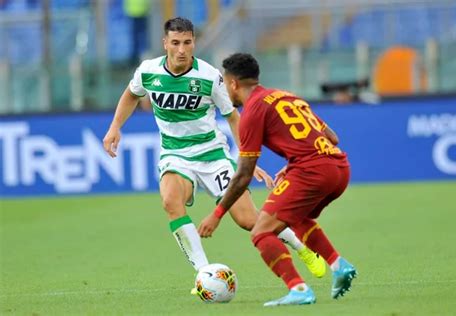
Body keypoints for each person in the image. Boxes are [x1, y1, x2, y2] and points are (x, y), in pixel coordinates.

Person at [102, 17, 326, 291]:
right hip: (175, 155)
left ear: (194, 42)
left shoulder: (209, 76)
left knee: (248, 220)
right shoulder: (148, 71)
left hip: (213, 156)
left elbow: (232, 117)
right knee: (171, 202)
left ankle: (301, 247)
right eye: (175, 43)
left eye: (187, 42)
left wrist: (248, 157)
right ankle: (204, 274)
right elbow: (131, 94)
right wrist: (115, 127)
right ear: (165, 44)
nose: (182, 49)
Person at [198, 53, 357, 306]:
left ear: (233, 84)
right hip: (339, 167)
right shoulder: (287, 96)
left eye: (224, 84)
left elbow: (243, 175)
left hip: (311, 172)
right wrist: (294, 161)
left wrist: (216, 214)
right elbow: (333, 137)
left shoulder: (252, 111)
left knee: (261, 232)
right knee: (297, 217)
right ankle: (339, 265)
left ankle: (299, 289)